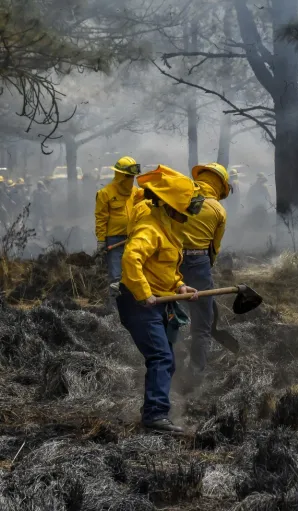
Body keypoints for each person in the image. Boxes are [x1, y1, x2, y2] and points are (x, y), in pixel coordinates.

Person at [117, 165, 205, 433]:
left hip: (159, 301)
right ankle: (155, 416)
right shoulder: (150, 228)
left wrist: (179, 287)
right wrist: (144, 295)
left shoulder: (165, 225)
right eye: (185, 208)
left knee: (165, 358)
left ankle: (152, 411)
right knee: (160, 357)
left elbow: (162, 268)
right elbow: (131, 259)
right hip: (139, 304)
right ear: (172, 206)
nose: (187, 214)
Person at [180, 162, 229, 378]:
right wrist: (204, 268)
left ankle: (173, 359)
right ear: (219, 185)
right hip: (199, 263)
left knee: (169, 314)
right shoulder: (218, 210)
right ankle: (196, 373)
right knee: (202, 323)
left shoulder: (179, 199)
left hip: (172, 261)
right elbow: (214, 249)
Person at [94, 156, 143, 287]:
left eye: (133, 177)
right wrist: (101, 240)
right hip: (114, 241)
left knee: (134, 274)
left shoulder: (136, 193)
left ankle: (132, 306)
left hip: (133, 239)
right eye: (129, 176)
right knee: (116, 277)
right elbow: (101, 218)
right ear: (120, 175)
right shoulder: (105, 193)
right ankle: (115, 307)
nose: (131, 180)